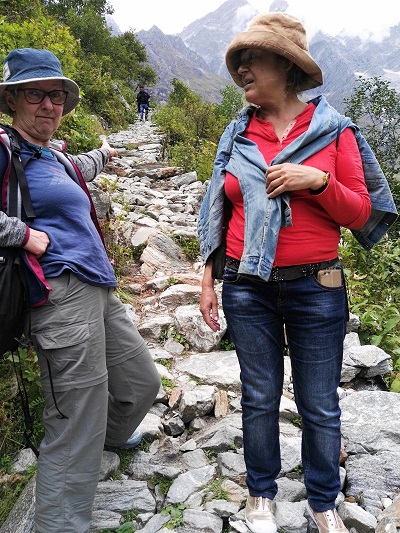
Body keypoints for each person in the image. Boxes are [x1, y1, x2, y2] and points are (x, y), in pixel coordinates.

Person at [198, 13, 397, 533]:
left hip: (317, 284)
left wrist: (317, 180)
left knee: (318, 401)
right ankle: (261, 493)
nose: (240, 70)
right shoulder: (238, 132)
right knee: (259, 393)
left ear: (285, 66)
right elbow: (216, 207)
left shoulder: (333, 131)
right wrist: (207, 276)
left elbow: (360, 212)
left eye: (251, 60)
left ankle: (323, 499)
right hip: (245, 282)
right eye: (237, 61)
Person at [0, 48, 161, 533]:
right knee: (74, 421)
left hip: (97, 289)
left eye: (56, 95)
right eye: (36, 94)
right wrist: (23, 235)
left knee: (139, 383)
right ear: (12, 100)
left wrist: (105, 154)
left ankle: (101, 444)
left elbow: (83, 170)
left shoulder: (52, 156)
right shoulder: (4, 148)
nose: (49, 104)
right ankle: (61, 517)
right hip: (58, 296)